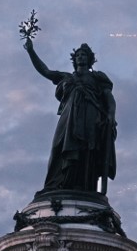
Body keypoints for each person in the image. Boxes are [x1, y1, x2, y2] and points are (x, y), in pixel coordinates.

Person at [24, 39, 117, 194]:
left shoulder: (98, 78)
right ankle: (56, 184)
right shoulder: (66, 77)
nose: (81, 57)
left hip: (90, 116)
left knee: (87, 150)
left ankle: (85, 187)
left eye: (84, 55)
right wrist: (31, 51)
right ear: (74, 60)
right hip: (68, 118)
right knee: (58, 147)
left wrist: (111, 115)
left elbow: (109, 99)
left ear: (90, 59)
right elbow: (45, 71)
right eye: (78, 55)